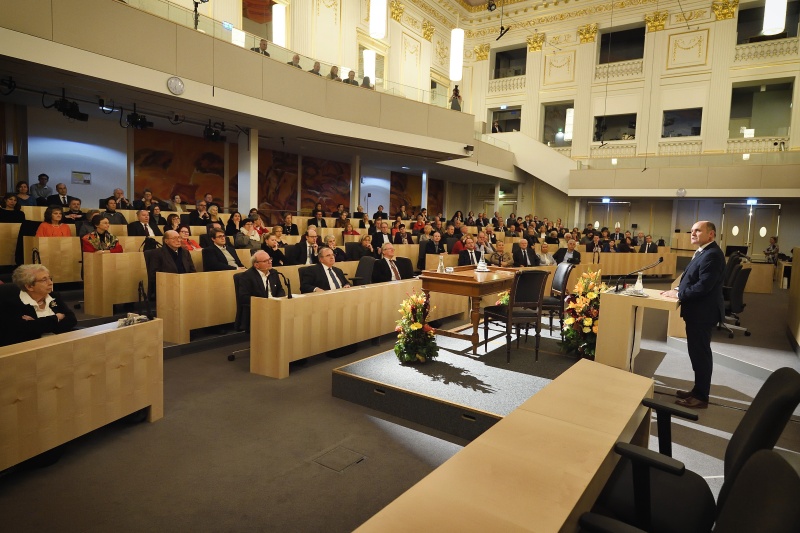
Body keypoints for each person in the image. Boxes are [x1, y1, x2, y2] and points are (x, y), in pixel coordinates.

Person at [660, 221, 725, 409]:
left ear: (711, 234)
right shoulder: (702, 251)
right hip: (697, 311)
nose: (693, 233)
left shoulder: (712, 255)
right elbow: (691, 278)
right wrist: (678, 288)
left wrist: (679, 294)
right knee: (696, 353)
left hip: (703, 313)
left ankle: (701, 397)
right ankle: (697, 390)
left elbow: (704, 286)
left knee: (700, 354)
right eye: (692, 230)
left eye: (698, 230)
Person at [0, 264, 77, 346]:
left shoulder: (53, 296)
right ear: (29, 287)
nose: (50, 283)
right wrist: (57, 318)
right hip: (30, 350)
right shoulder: (12, 304)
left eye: (49, 278)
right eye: (44, 280)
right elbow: (25, 331)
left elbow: (72, 320)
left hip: (59, 343)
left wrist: (39, 324)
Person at [146, 230, 196, 299]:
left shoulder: (185, 252)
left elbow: (192, 270)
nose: (178, 240)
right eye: (174, 238)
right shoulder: (157, 253)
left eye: (179, 238)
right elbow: (153, 275)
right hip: (167, 287)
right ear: (166, 241)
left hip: (185, 284)